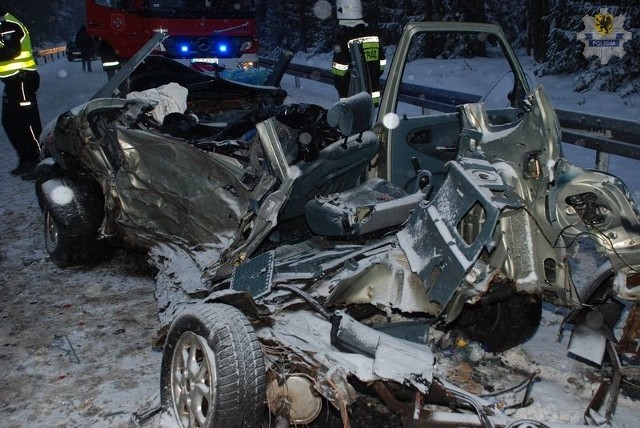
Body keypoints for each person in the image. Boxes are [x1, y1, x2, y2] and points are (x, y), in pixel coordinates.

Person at [0, 8, 42, 180]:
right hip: (13, 82)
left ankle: (39, 161)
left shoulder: (8, 25)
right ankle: (26, 158)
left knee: (28, 122)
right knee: (10, 122)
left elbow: (12, 51)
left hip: (22, 80)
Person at [331, 0, 385, 106]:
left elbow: (339, 72)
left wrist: (342, 89)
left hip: (352, 98)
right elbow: (381, 64)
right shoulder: (373, 35)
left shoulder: (344, 37)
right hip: (372, 96)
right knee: (370, 121)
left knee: (353, 122)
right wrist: (371, 79)